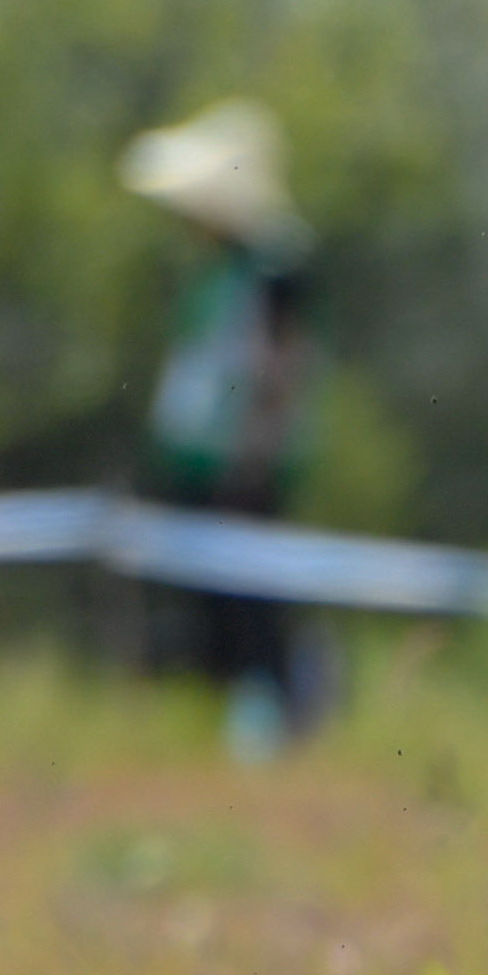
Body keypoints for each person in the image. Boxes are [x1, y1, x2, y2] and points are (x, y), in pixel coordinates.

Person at [113, 98, 321, 755]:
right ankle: (230, 717)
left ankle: (276, 719)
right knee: (209, 601)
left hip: (245, 461)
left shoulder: (276, 269)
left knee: (253, 600)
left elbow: (279, 371)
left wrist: (251, 452)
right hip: (199, 458)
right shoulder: (219, 268)